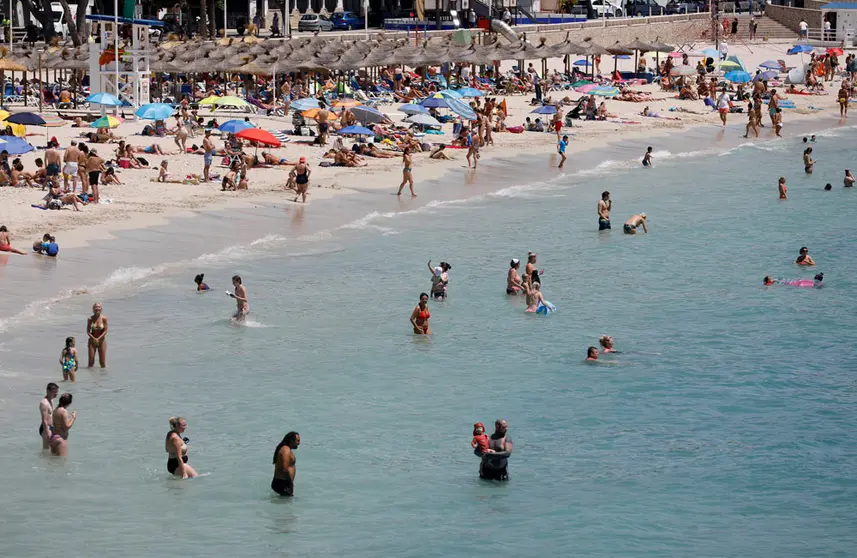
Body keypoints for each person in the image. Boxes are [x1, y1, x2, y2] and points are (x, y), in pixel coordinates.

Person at [272, 431, 300, 496]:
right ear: (291, 441)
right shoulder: (286, 450)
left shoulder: (286, 449)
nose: (299, 443)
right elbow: (285, 468)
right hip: (283, 483)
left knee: (284, 504)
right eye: (297, 441)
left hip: (282, 482)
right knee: (286, 504)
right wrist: (290, 483)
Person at [86, 302, 108, 368]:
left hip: (101, 341)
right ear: (93, 309)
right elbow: (88, 331)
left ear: (101, 309)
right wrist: (94, 338)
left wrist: (98, 339)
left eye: (99, 307)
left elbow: (105, 330)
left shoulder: (104, 318)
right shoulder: (90, 319)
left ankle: (103, 377)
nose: (97, 308)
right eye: (96, 307)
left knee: (102, 363)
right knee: (91, 362)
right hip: (92, 341)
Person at [39, 382, 59, 450]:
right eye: (54, 392)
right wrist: (47, 432)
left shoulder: (51, 400)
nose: (56, 394)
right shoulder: (44, 403)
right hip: (46, 428)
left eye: (57, 392)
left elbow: (51, 414)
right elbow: (44, 419)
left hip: (51, 427)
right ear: (48, 391)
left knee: (52, 450)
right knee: (46, 450)